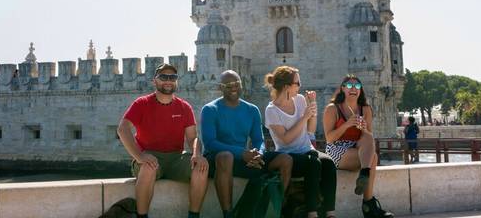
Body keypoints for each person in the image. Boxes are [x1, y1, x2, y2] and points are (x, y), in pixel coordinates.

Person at [117, 63, 209, 218]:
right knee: (148, 167)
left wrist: (197, 154)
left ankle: (194, 216)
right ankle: (142, 216)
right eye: (163, 77)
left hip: (176, 158)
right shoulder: (142, 103)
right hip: (150, 156)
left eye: (172, 77)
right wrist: (139, 156)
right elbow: (122, 129)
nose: (168, 80)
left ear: (176, 81)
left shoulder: (184, 107)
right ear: (155, 81)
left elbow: (193, 138)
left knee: (201, 167)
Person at [201, 70, 293, 218]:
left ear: (241, 84)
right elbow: (210, 143)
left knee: (285, 160)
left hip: (244, 159)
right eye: (228, 85)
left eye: (236, 84)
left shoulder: (251, 110)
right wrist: (242, 153)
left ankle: (280, 209)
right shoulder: (210, 110)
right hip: (218, 161)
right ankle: (228, 214)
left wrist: (258, 154)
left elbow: (258, 139)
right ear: (220, 87)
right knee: (226, 157)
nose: (233, 88)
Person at [264, 66, 337, 218]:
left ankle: (330, 212)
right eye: (297, 83)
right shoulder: (271, 110)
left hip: (307, 149)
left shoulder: (300, 100)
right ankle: (312, 213)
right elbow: (285, 139)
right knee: (313, 163)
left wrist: (312, 111)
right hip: (288, 154)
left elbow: (310, 130)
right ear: (286, 86)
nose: (300, 86)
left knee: (329, 163)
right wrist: (304, 117)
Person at [323, 75, 393, 218]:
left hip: (358, 147)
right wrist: (347, 124)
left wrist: (363, 129)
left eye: (357, 86)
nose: (353, 89)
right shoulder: (332, 109)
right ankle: (368, 204)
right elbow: (329, 139)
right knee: (373, 158)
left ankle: (364, 173)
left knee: (368, 137)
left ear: (361, 90)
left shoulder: (365, 109)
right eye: (349, 86)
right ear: (342, 89)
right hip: (337, 148)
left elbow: (368, 138)